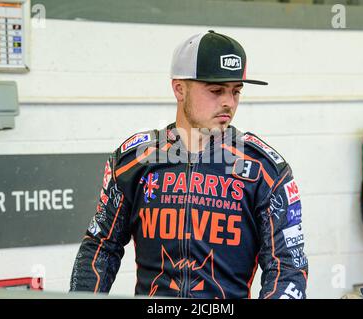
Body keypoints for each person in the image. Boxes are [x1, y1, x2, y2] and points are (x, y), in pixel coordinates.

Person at [70, 30, 308, 299]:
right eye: (216, 90)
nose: (228, 102)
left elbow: (288, 267)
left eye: (236, 91)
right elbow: (101, 246)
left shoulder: (265, 170)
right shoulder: (134, 161)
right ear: (179, 88)